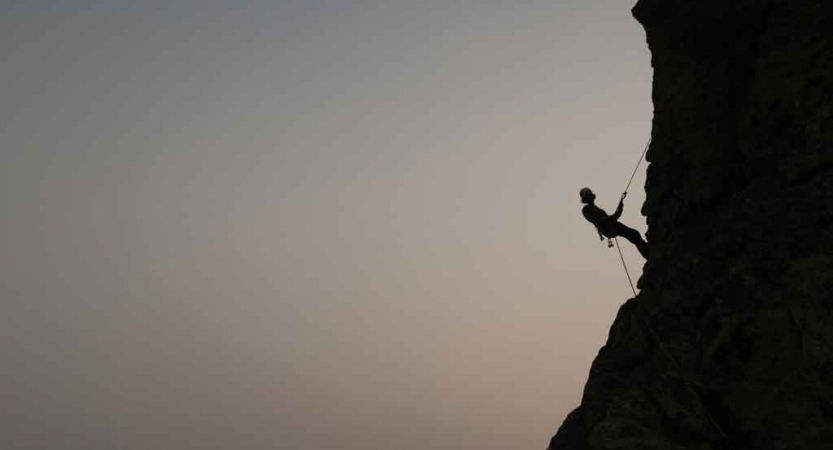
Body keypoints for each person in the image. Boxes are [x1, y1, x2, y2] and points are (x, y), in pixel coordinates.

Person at [579, 187, 649, 258]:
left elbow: (615, 216)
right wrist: (612, 216)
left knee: (634, 234)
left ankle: (646, 250)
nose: (590, 198)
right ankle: (647, 253)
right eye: (588, 196)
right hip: (607, 228)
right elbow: (597, 220)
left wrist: (620, 203)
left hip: (610, 226)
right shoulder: (586, 210)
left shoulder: (596, 208)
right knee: (633, 234)